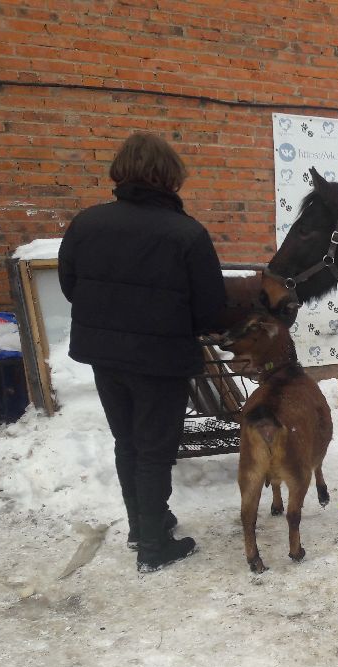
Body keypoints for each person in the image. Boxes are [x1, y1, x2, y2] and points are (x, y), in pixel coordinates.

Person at [59, 132, 227, 574]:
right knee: (154, 449)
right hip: (160, 362)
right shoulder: (187, 234)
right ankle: (154, 546)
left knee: (128, 441)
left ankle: (142, 525)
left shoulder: (86, 223)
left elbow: (70, 287)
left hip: (105, 356)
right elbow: (210, 308)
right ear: (170, 176)